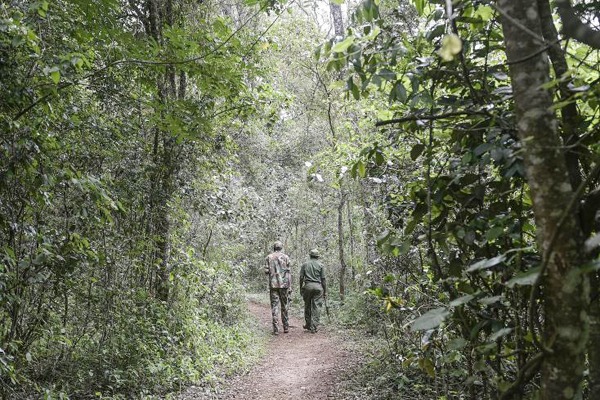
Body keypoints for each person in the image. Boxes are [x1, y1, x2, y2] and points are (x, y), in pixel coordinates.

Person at [264, 240, 292, 335]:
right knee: (285, 306)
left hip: (273, 285)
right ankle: (286, 327)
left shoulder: (269, 257)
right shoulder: (286, 257)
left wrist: (273, 270)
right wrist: (290, 286)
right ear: (281, 248)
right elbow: (288, 272)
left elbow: (266, 271)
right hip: (284, 285)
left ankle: (276, 329)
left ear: (274, 248)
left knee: (275, 306)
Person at [299, 248, 327, 333]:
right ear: (318, 257)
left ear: (310, 256)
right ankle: (314, 327)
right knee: (317, 307)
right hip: (318, 287)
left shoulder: (305, 264)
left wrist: (301, 287)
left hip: (308, 286)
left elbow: (301, 277)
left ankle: (308, 324)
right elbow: (323, 279)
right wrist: (325, 291)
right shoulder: (321, 265)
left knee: (307, 305)